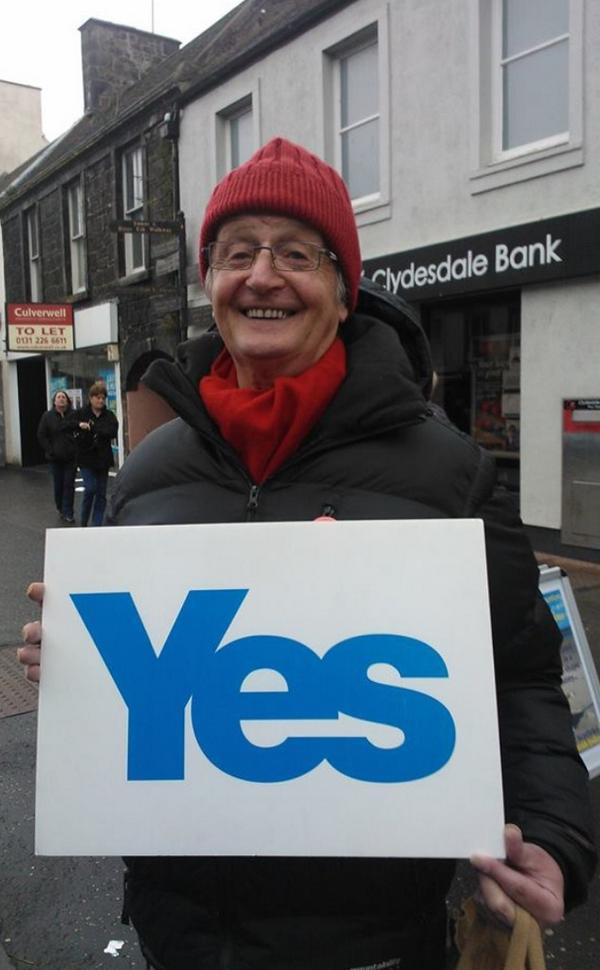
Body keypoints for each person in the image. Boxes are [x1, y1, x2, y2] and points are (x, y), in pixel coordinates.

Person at [19, 138, 596, 970]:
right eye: (236, 252)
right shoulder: (147, 470)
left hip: (372, 940)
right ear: (209, 280)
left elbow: (525, 678)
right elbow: (142, 677)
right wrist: (78, 665)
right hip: (178, 931)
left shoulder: (447, 474)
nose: (262, 276)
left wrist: (553, 830)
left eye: (297, 253)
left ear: (341, 285)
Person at [74, 381, 118, 527]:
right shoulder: (81, 413)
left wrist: (95, 429)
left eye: (103, 398)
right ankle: (84, 520)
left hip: (103, 459)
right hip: (86, 458)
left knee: (101, 493)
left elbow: (112, 431)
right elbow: (70, 426)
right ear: (91, 398)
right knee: (90, 488)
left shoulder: (109, 415)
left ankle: (96, 524)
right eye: (98, 397)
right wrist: (81, 429)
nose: (101, 401)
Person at [36, 389, 77, 523]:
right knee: (59, 484)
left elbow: (79, 431)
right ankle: (60, 507)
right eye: (59, 397)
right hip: (55, 458)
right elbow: (41, 435)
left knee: (69, 484)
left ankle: (68, 511)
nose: (61, 399)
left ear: (67, 401)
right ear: (54, 401)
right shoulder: (47, 416)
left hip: (71, 457)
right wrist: (50, 450)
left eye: (63, 397)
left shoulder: (73, 415)